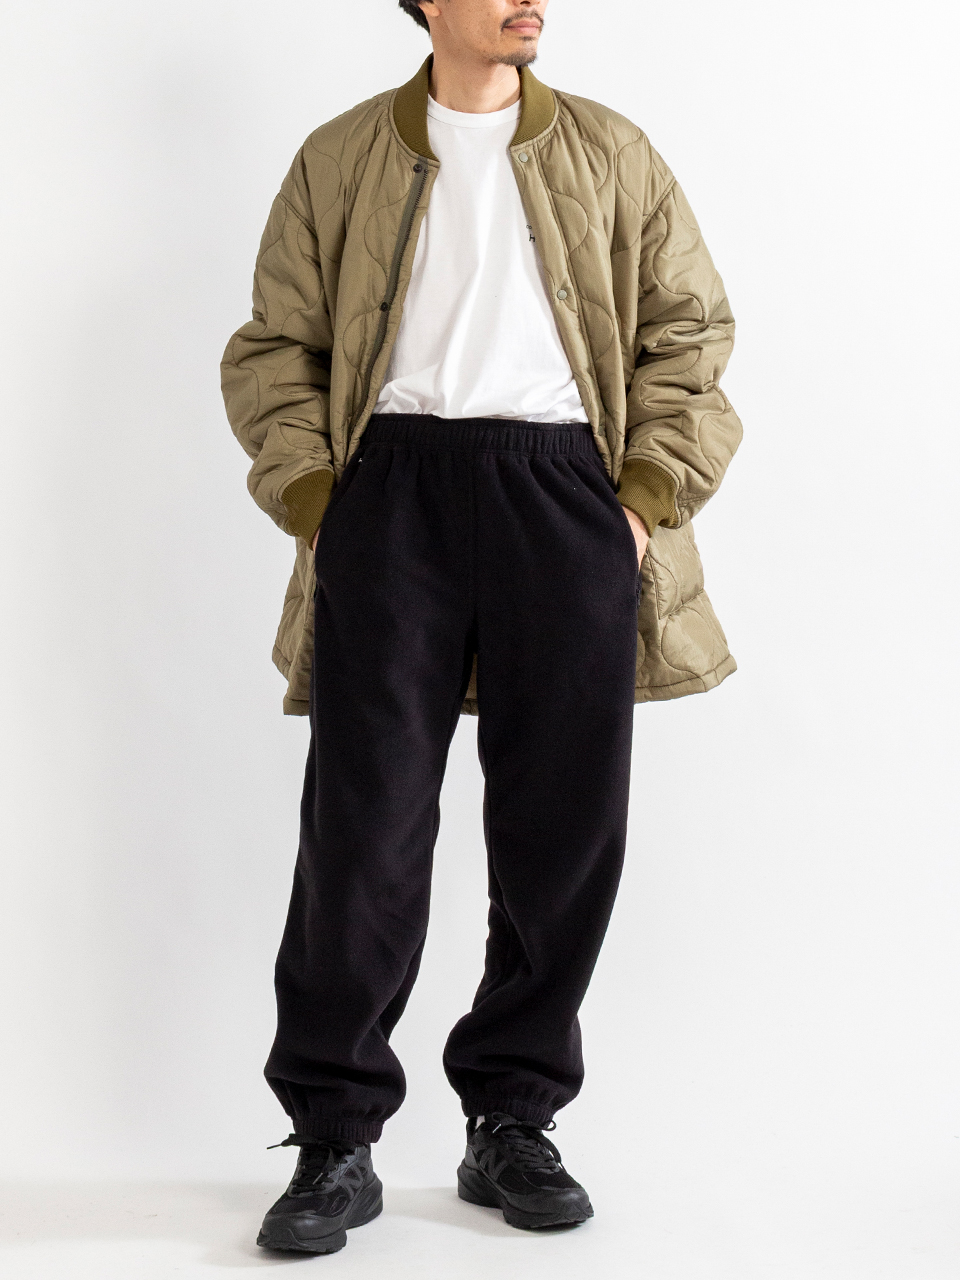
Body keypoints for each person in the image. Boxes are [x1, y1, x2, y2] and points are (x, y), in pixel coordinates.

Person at [221, 0, 742, 1255]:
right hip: (388, 494)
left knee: (563, 826)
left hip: (565, 495)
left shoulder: (612, 152)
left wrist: (639, 503)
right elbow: (275, 347)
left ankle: (511, 1114)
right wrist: (318, 503)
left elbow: (689, 334)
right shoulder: (341, 155)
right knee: (364, 825)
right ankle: (336, 1136)